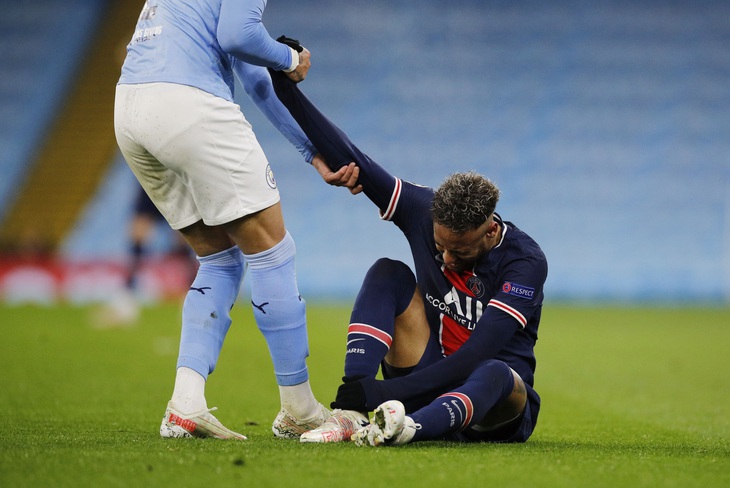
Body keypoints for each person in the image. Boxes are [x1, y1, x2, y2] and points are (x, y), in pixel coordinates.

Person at [267, 65, 548, 446]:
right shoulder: (422, 209)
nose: (446, 259)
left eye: (459, 251)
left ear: (491, 230)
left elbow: (475, 354)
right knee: (388, 272)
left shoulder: (525, 262)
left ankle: (409, 427)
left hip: (492, 405)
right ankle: (351, 413)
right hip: (427, 371)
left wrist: (381, 395)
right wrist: (287, 93)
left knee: (494, 370)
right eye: (439, 247)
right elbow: (353, 158)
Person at [113, 1, 330, 440]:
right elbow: (238, 35)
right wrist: (291, 58)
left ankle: (185, 404)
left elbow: (255, 79)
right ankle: (300, 409)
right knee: (273, 252)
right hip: (188, 102)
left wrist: (312, 151)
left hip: (130, 108)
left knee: (219, 261)